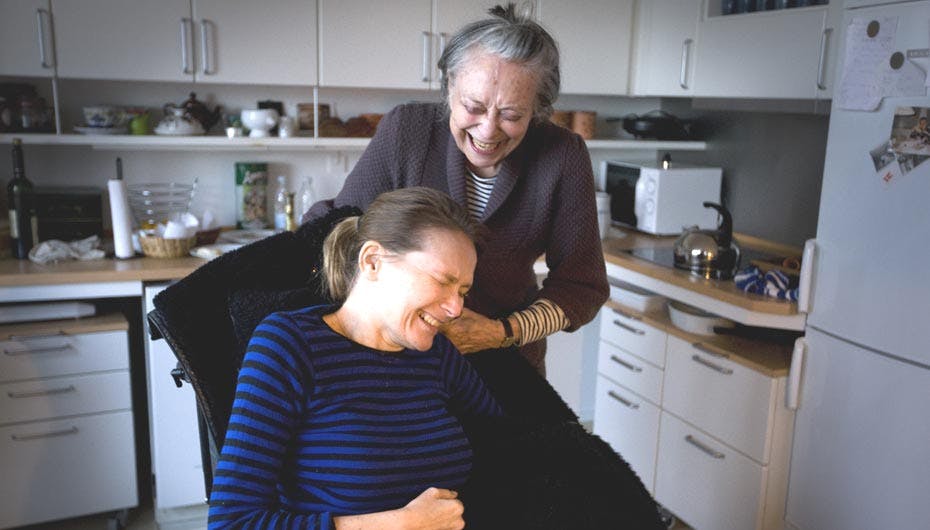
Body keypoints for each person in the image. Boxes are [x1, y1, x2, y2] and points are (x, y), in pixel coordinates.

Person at [304, 4, 609, 373]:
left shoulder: (562, 155)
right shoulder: (407, 130)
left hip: (505, 364)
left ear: (538, 110)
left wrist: (502, 332)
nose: (488, 130)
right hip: (395, 363)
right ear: (449, 86)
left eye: (512, 115)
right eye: (473, 106)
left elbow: (581, 286)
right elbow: (338, 227)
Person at [208, 187, 503, 529]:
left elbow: (504, 439)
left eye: (463, 291)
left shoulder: (435, 352)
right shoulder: (289, 345)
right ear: (373, 261)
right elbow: (231, 522)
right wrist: (398, 524)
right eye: (442, 281)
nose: (456, 309)